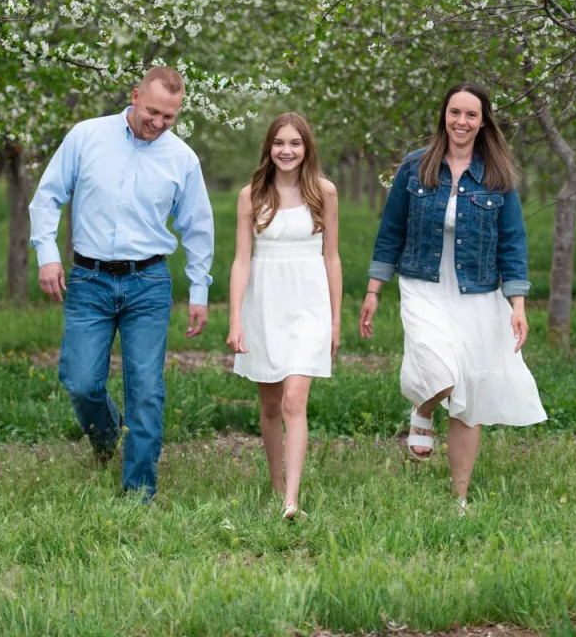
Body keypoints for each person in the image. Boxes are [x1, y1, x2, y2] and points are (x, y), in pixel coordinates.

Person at [359, 81, 545, 515]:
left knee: (471, 394)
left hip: (477, 292)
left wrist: (517, 304)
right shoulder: (415, 168)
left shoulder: (497, 177)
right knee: (442, 374)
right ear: (444, 116)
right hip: (423, 284)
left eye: (471, 115)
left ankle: (458, 497)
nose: (461, 122)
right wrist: (373, 290)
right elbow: (391, 232)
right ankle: (422, 409)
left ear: (483, 122)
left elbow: (512, 243)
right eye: (455, 113)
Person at [29, 66, 214, 500]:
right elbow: (47, 197)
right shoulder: (86, 136)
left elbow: (198, 229)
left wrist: (199, 291)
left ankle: (138, 493)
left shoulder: (182, 159)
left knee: (146, 389)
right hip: (89, 279)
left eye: (169, 117)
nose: (158, 123)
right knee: (80, 381)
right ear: (134, 96)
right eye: (152, 111)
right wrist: (47, 255)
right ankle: (107, 435)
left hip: (148, 282)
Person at [227, 113, 341, 520]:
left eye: (295, 143)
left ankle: (292, 501)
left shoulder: (323, 192)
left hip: (309, 306)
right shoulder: (251, 195)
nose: (287, 150)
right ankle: (276, 484)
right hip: (265, 304)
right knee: (271, 404)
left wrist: (335, 320)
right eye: (279, 143)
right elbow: (242, 261)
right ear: (269, 148)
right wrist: (236, 319)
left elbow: (332, 258)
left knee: (295, 400)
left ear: (307, 148)